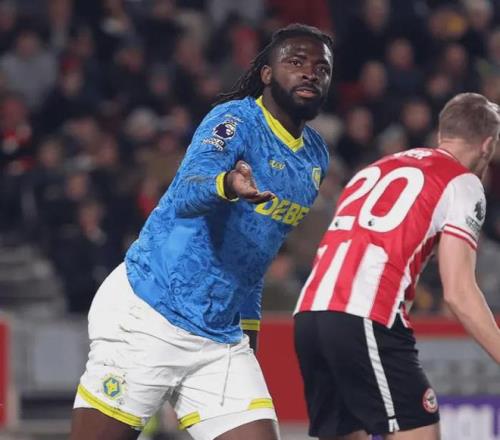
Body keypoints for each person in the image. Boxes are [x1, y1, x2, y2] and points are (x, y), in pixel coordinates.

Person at [70, 23, 333, 440]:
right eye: (297, 62)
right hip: (152, 308)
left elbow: (257, 252)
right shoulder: (236, 120)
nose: (310, 73)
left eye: (322, 68)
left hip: (219, 336)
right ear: (267, 73)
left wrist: (249, 333)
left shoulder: (315, 158)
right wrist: (227, 184)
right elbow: (186, 192)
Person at [294, 92, 500, 440]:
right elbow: (459, 292)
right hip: (365, 315)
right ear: (487, 146)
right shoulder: (462, 182)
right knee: (419, 431)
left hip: (310, 314)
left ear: (442, 134)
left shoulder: (375, 168)